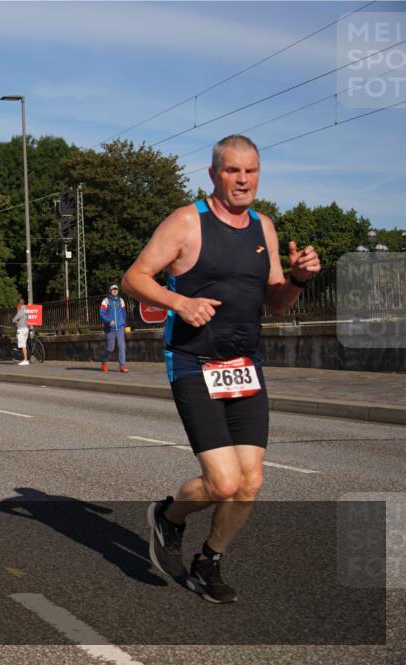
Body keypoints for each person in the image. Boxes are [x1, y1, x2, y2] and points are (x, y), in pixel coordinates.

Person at [122, 134, 320, 603]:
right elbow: (134, 277)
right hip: (194, 362)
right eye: (232, 170)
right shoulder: (188, 222)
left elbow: (274, 303)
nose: (243, 179)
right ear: (214, 174)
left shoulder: (264, 227)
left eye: (251, 170)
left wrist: (296, 279)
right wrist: (180, 302)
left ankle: (209, 560)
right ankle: (168, 517)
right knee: (223, 482)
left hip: (245, 364)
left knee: (250, 481)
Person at [99, 284, 128, 373]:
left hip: (120, 327)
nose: (115, 291)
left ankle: (122, 366)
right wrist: (108, 321)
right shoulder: (106, 301)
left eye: (116, 290)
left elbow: (123, 312)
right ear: (110, 291)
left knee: (122, 346)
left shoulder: (121, 301)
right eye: (113, 290)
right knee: (110, 348)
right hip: (110, 328)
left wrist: (124, 322)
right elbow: (102, 313)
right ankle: (104, 360)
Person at [13, 297, 30, 366]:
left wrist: (17, 322)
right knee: (24, 344)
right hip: (26, 328)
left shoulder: (21, 311)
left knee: (22, 345)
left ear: (19, 304)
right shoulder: (26, 310)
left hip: (21, 329)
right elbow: (26, 319)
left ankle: (25, 360)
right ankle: (24, 358)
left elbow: (14, 320)